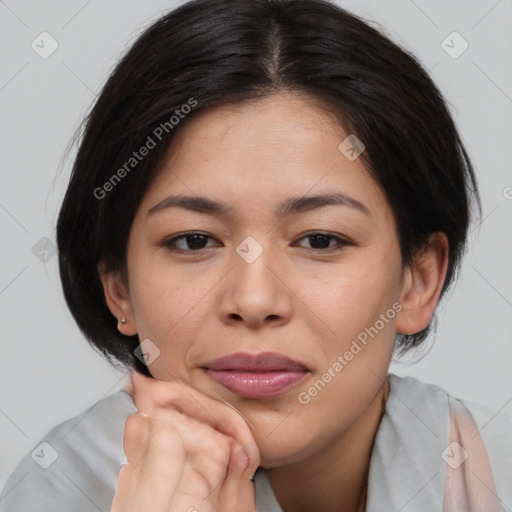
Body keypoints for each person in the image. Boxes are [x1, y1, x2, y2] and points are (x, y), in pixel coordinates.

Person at [0, 0, 510, 511]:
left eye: (320, 240)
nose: (254, 299)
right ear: (118, 287)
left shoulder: (491, 472)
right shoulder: (53, 492)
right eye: (194, 240)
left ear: (417, 280)